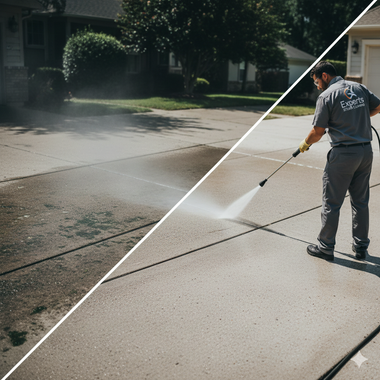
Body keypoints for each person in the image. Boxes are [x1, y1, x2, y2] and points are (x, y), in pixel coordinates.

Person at [299, 61, 380, 261]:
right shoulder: (358, 88)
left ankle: (326, 247)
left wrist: (304, 144)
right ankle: (361, 247)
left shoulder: (326, 96)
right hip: (365, 152)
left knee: (331, 202)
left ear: (325, 76)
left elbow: (317, 132)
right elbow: (378, 106)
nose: (317, 86)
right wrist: (358, 115)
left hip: (343, 155)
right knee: (360, 201)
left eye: (317, 81)